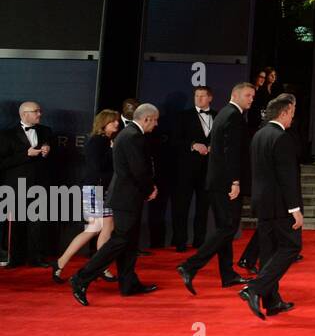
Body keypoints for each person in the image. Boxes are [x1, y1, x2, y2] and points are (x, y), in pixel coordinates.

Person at [69, 104, 162, 304]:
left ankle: (129, 284)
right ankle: (81, 278)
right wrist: (150, 188)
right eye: (155, 120)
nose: (156, 124)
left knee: (128, 242)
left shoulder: (128, 135)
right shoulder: (132, 137)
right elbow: (138, 170)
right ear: (146, 119)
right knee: (119, 241)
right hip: (125, 198)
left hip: (128, 197)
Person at [177, 83, 257, 293]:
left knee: (226, 228)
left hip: (217, 181)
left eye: (253, 96)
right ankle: (190, 265)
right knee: (227, 228)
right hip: (225, 183)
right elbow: (231, 153)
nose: (251, 99)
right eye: (248, 95)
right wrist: (235, 181)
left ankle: (227, 274)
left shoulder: (224, 113)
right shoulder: (233, 116)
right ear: (235, 94)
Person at [235, 93, 303, 319]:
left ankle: (272, 302)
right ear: (283, 113)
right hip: (280, 205)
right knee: (291, 247)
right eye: (292, 113)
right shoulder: (281, 137)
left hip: (261, 203)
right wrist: (295, 209)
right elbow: (287, 177)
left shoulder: (259, 135)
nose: (293, 118)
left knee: (268, 253)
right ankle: (254, 288)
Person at [54, 110, 121, 282]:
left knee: (106, 226)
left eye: (117, 121)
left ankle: (100, 266)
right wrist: (113, 152)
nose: (117, 124)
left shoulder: (106, 141)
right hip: (94, 189)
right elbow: (97, 167)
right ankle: (62, 262)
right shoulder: (97, 142)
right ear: (103, 123)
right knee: (95, 228)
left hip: (102, 189)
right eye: (113, 121)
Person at [1, 101, 56, 268]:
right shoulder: (7, 135)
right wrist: (26, 154)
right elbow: (2, 162)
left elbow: (53, 158)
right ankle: (15, 258)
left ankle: (36, 258)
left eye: (40, 110)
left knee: (37, 223)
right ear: (24, 114)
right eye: (36, 111)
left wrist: (47, 150)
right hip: (16, 186)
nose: (40, 114)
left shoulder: (46, 131)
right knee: (16, 223)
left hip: (39, 184)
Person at [170, 86, 214, 252]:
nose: (199, 99)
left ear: (210, 98)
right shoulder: (183, 116)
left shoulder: (217, 116)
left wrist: (213, 147)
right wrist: (192, 145)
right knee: (182, 206)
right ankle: (180, 241)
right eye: (196, 96)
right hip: (185, 170)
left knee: (203, 208)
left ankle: (199, 241)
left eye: (203, 96)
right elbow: (174, 141)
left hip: (208, 170)